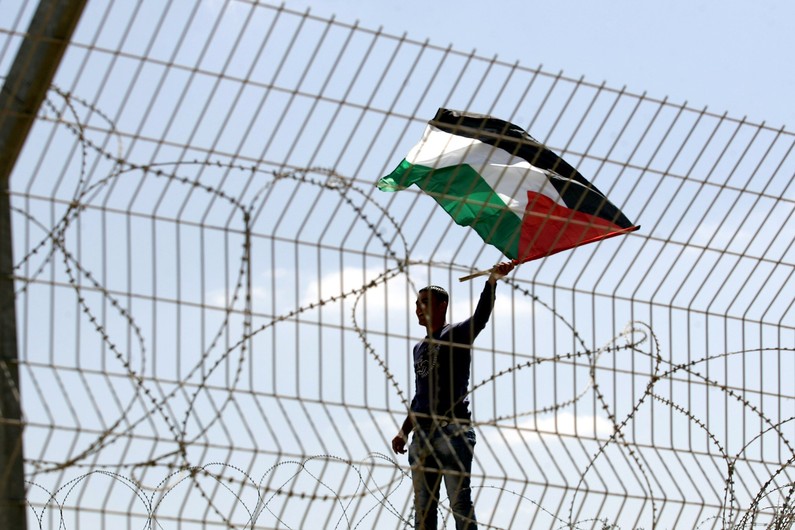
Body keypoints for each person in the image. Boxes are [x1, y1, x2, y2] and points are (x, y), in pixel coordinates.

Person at [392, 261, 515, 530]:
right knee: (423, 509)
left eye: (425, 302)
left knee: (459, 504)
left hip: (453, 432)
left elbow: (480, 317)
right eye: (416, 303)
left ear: (442, 306)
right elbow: (420, 397)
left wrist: (491, 282)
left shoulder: (457, 334)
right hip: (422, 436)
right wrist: (403, 431)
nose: (418, 308)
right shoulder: (418, 348)